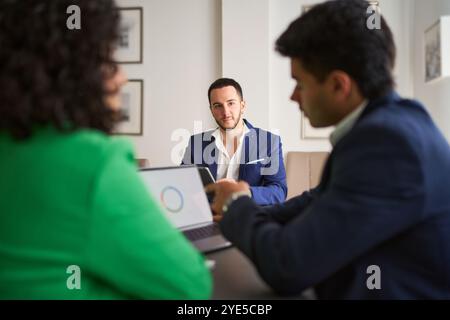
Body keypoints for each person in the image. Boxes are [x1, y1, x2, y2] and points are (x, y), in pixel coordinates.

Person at [206, 0, 450, 299]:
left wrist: (237, 205)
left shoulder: (386, 144)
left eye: (299, 83)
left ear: (338, 85)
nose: (293, 96)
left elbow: (287, 265)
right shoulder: (399, 120)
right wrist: (248, 205)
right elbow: (320, 199)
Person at [0, 0, 211, 299]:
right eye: (108, 60)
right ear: (72, 72)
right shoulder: (94, 163)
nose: (121, 77)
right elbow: (191, 286)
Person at [181, 78, 287, 205]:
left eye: (231, 103)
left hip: (249, 217)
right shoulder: (196, 143)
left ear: (242, 106)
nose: (225, 112)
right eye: (218, 106)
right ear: (211, 110)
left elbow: (279, 191)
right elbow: (183, 186)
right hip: (209, 216)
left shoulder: (269, 142)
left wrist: (242, 192)